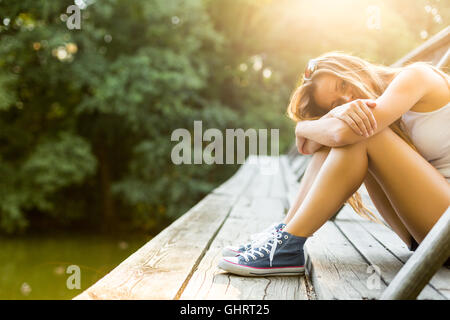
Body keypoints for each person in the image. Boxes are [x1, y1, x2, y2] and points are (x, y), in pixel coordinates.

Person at [218, 52, 450, 276]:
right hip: (426, 231)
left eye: (343, 86)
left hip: (444, 234)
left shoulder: (416, 76)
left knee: (362, 132)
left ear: (351, 67)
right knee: (345, 135)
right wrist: (331, 120)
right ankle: (285, 232)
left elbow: (336, 135)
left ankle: (287, 245)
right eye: (336, 103)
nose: (348, 100)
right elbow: (313, 146)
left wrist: (304, 127)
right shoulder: (384, 106)